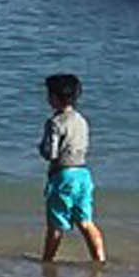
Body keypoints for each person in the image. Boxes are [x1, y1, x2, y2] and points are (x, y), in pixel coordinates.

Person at [40, 73, 108, 263]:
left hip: (63, 176)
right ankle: (99, 259)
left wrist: (41, 148)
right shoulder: (81, 120)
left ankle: (48, 260)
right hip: (83, 174)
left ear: (54, 98)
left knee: (56, 225)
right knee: (86, 222)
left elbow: (51, 153)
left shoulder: (55, 122)